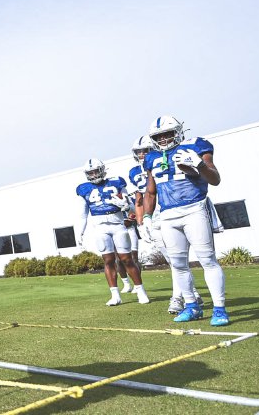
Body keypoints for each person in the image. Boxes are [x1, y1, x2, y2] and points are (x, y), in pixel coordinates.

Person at [140, 115, 229, 326]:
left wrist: (200, 166)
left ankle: (219, 308)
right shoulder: (152, 158)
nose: (163, 139)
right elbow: (150, 193)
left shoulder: (196, 145)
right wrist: (146, 217)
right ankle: (191, 306)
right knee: (178, 264)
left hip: (194, 209)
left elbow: (215, 179)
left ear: (178, 131)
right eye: (158, 136)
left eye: (167, 134)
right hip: (168, 215)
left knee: (207, 260)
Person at [129, 134, 202, 314]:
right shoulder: (134, 172)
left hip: (171, 211)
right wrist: (142, 221)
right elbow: (141, 198)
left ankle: (179, 297)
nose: (142, 155)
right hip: (153, 217)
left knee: (178, 260)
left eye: (145, 151)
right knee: (173, 260)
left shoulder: (167, 159)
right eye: (138, 152)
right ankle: (191, 293)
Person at [76, 158, 149, 306]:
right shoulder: (83, 188)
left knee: (127, 259)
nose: (94, 175)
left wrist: (125, 205)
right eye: (90, 172)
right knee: (108, 260)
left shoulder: (116, 182)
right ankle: (115, 295)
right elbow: (83, 214)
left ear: (102, 170)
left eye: (96, 171)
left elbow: (133, 207)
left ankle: (141, 291)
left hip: (118, 225)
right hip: (100, 227)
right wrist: (80, 232)